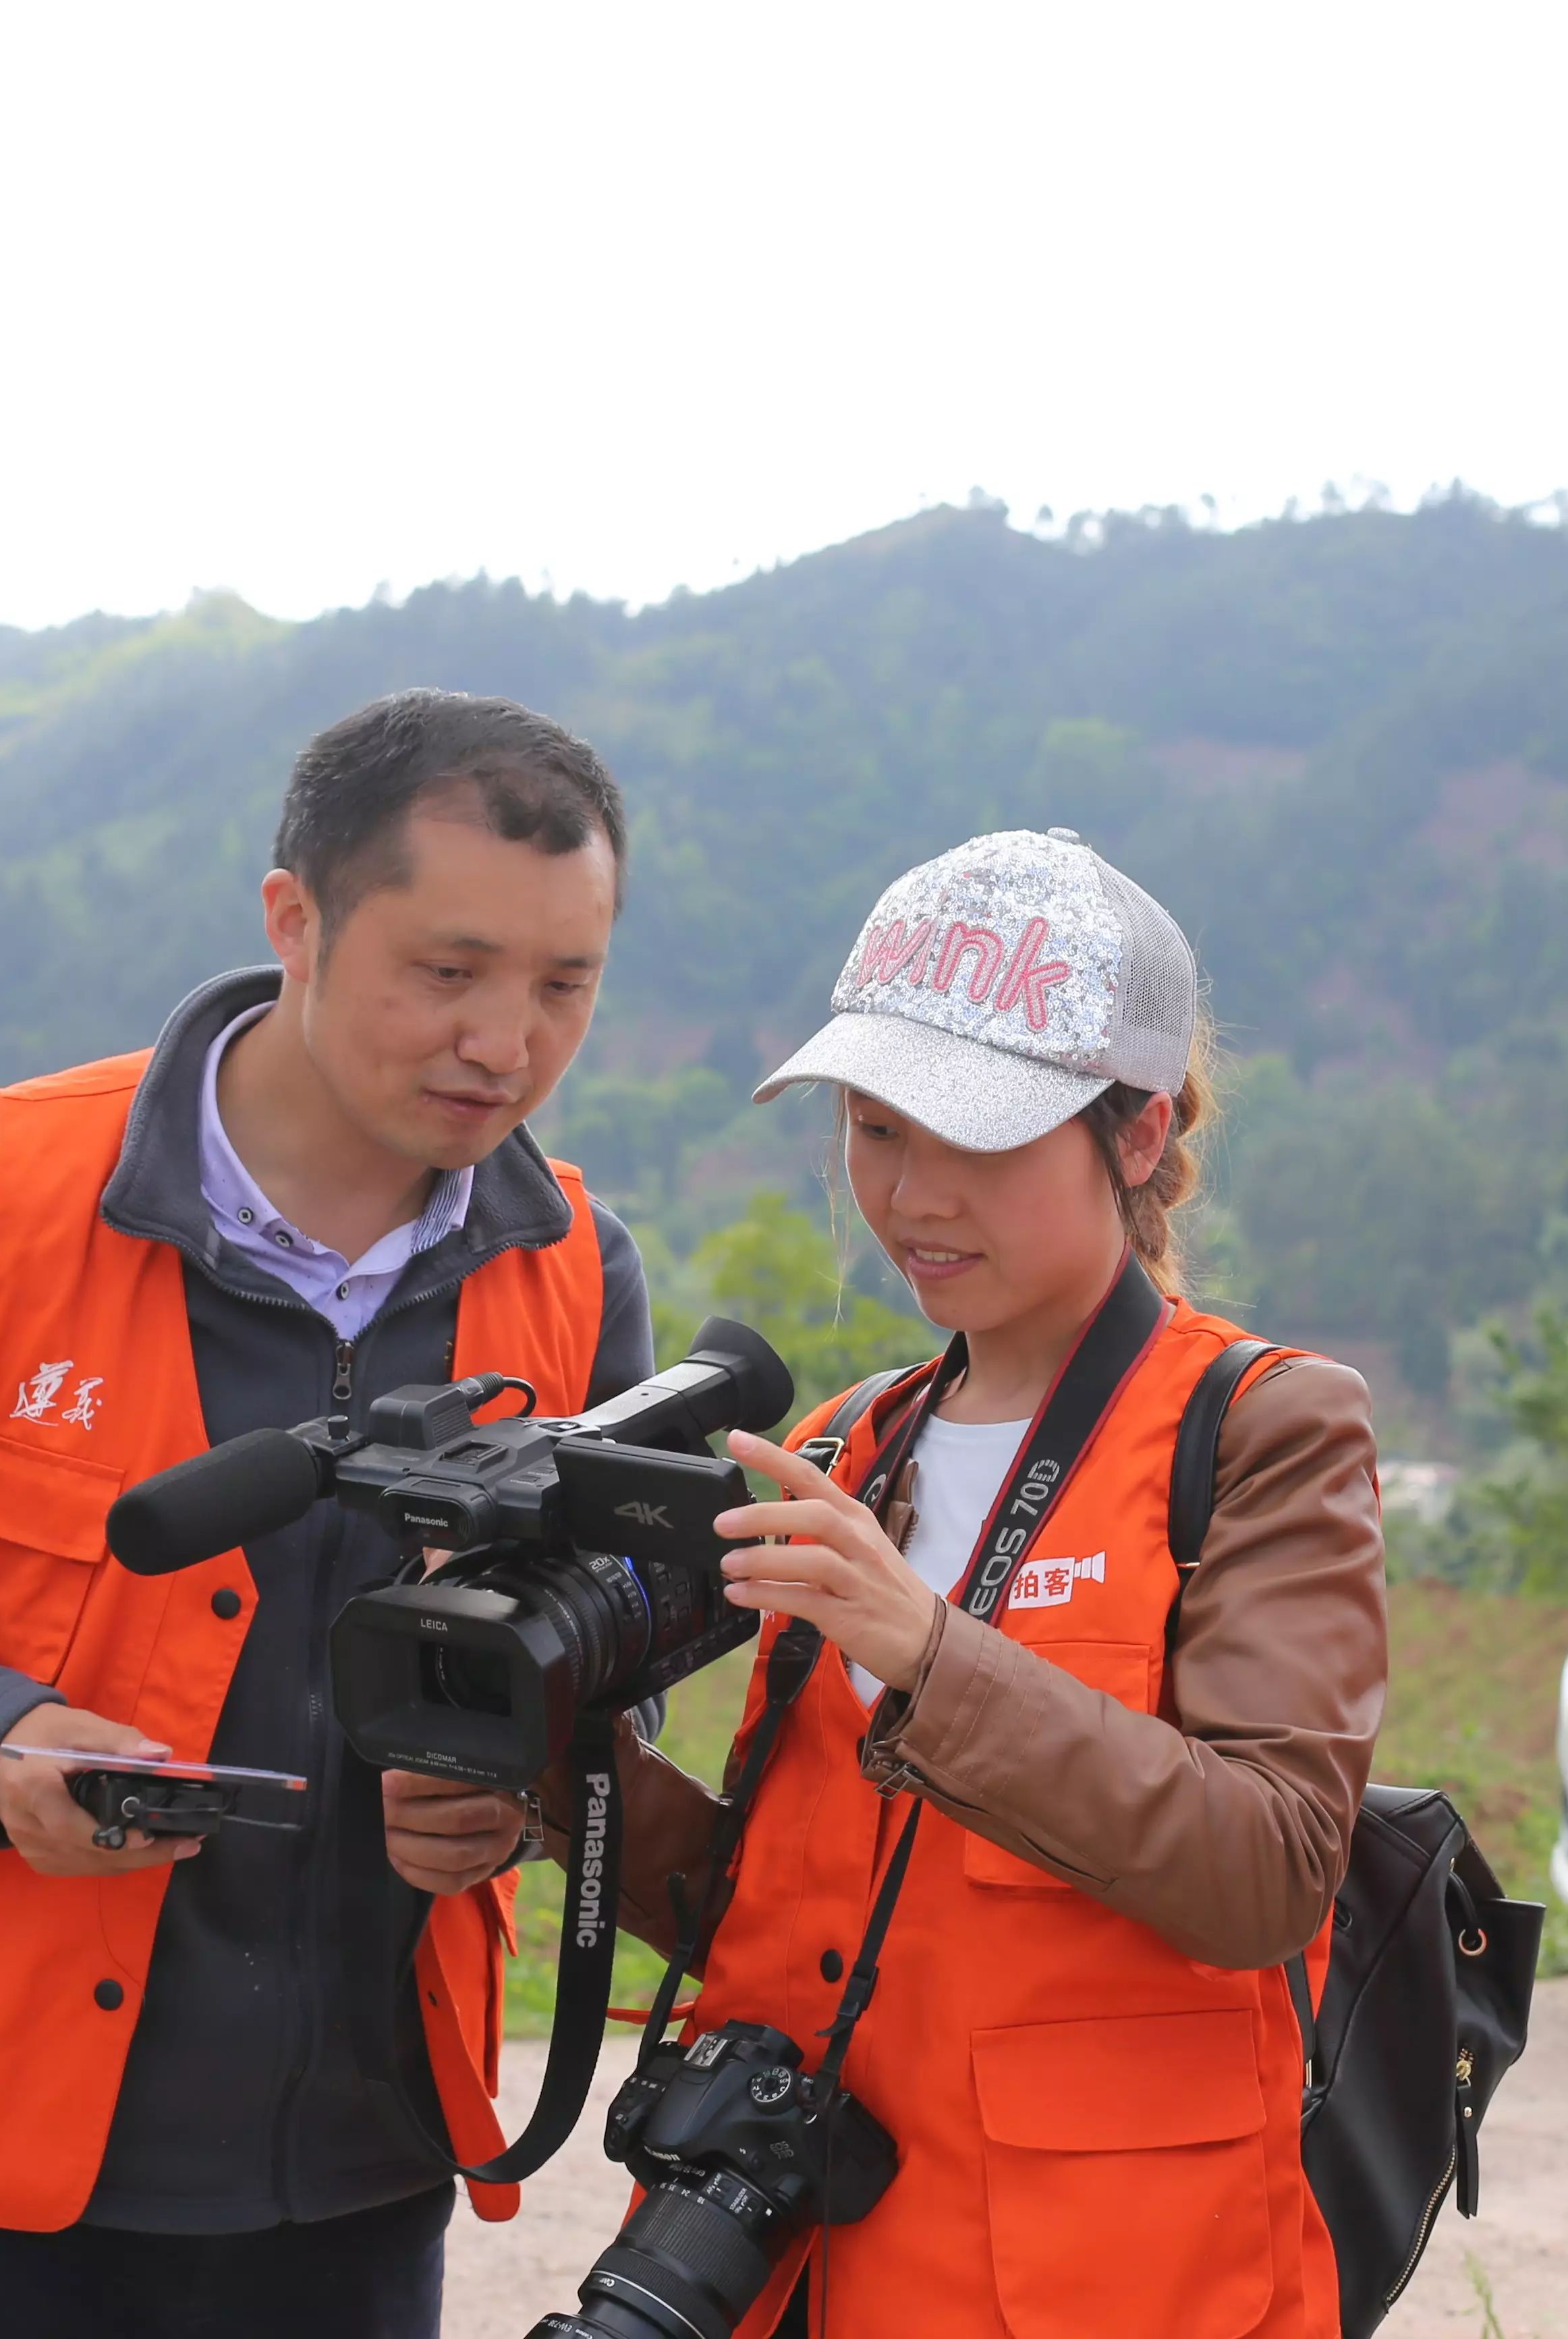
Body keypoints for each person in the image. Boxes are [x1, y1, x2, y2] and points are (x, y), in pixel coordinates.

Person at [0, 689, 656, 2339]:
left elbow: (604, 1625)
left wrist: (528, 1780)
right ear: (296, 922)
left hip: (358, 2156)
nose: (506, 1043)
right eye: (448, 971)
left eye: (566, 985)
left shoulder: (573, 1272)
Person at [484, 827, 1384, 2339]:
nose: (911, 1195)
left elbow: (1267, 1873)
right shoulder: (850, 1441)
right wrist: (541, 1757)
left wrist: (928, 1653)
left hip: (1102, 2286)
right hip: (791, 2266)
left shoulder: (1262, 1427)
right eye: (877, 1128)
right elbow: (765, 1911)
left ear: (1141, 1133)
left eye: (978, 1139)